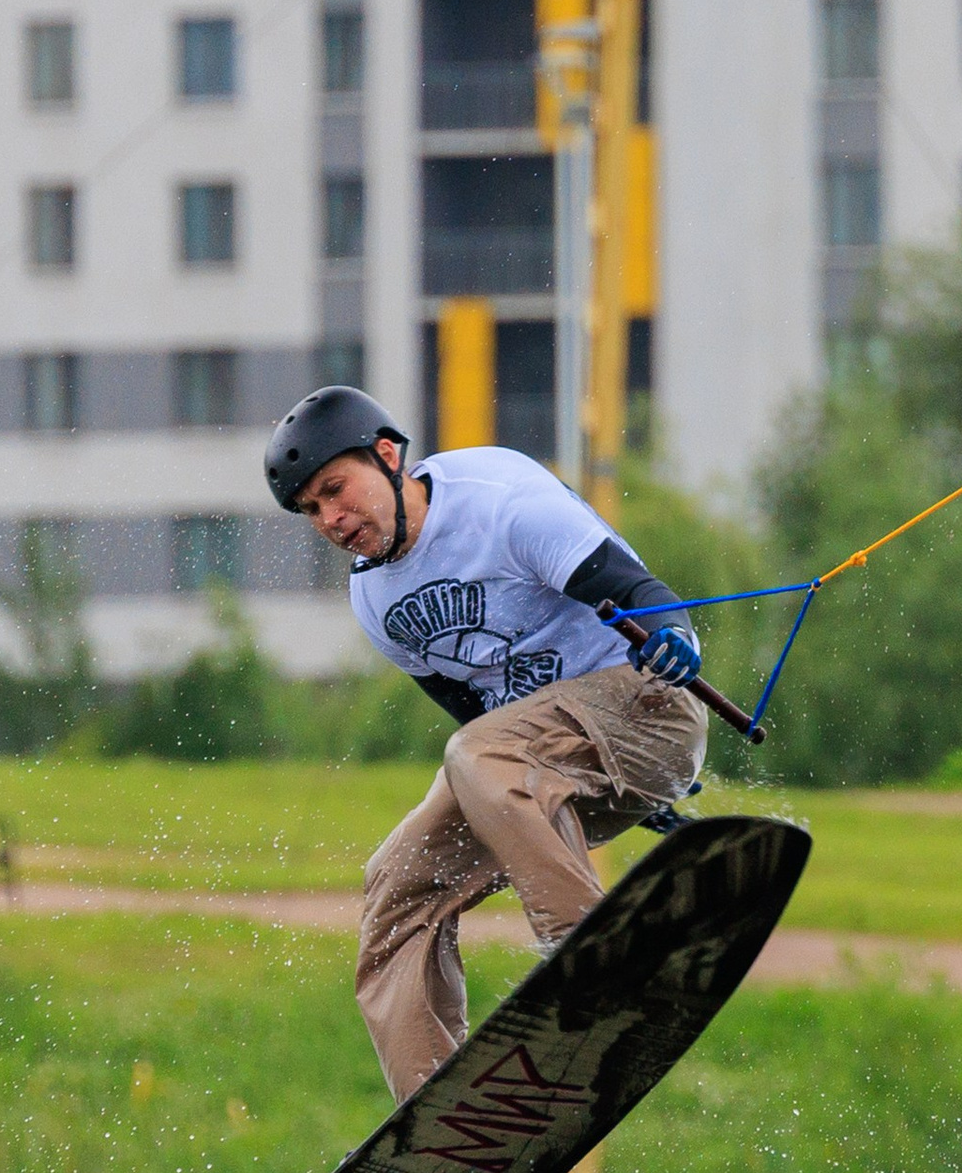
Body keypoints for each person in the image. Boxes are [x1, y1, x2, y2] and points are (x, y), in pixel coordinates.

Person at [266, 385, 708, 1100]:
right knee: (396, 882)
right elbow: (472, 712)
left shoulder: (498, 502)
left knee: (479, 755)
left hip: (647, 710)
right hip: (543, 766)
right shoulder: (373, 597)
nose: (331, 519)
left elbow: (641, 590)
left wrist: (678, 638)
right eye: (311, 510)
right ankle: (440, 1116)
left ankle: (593, 970)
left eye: (335, 490)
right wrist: (580, 785)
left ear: (386, 456)